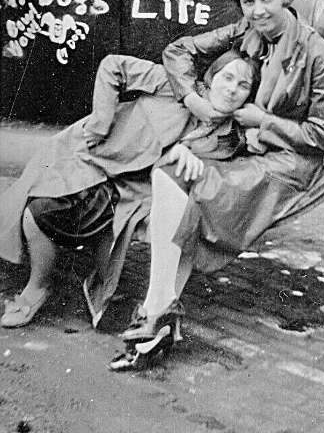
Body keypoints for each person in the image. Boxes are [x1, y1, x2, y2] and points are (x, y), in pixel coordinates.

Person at [110, 0, 324, 371]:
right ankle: (159, 311)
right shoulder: (245, 30)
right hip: (241, 149)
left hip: (285, 163)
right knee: (169, 172)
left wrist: (265, 121)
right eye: (248, 2)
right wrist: (192, 100)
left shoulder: (316, 54)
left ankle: (155, 314)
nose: (259, 11)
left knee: (190, 192)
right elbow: (178, 50)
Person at [0, 49, 259, 328]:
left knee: (61, 214)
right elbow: (113, 66)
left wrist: (192, 151)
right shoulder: (176, 84)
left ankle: (85, 279)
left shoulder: (228, 137)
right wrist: (101, 122)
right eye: (227, 77)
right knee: (33, 210)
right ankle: (38, 286)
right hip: (91, 157)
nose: (232, 89)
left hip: (129, 190)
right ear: (212, 76)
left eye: (243, 85)